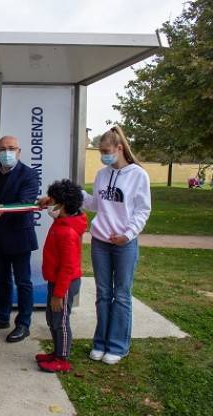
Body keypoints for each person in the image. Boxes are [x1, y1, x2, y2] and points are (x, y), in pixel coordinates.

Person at [41, 126, 151, 365]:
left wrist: (129, 234)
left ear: (119, 148)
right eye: (101, 151)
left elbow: (143, 210)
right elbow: (93, 203)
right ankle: (100, 343)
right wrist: (63, 195)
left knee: (121, 294)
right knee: (103, 294)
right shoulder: (102, 174)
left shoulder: (138, 175)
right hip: (101, 241)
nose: (103, 155)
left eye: (106, 151)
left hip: (124, 243)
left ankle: (118, 346)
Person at [0, 135, 39, 343]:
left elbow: (26, 203)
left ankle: (23, 324)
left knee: (23, 282)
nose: (7, 152)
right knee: (2, 280)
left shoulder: (29, 174)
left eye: (11, 148)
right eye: (3, 149)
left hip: (19, 235)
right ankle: (2, 317)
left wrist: (4, 211)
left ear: (19, 152)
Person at [36, 180, 87, 373]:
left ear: (63, 205)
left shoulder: (67, 232)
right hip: (55, 281)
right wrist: (48, 199)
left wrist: (58, 294)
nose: (50, 205)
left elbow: (68, 267)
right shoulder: (64, 220)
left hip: (63, 284)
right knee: (52, 318)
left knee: (61, 321)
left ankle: (62, 359)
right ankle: (56, 353)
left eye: (53, 201)